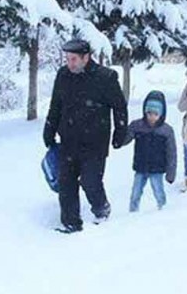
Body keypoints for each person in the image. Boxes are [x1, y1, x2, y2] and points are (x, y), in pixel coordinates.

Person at [43, 39, 128, 234]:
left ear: (86, 57)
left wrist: (120, 131)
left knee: (90, 181)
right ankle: (71, 223)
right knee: (66, 183)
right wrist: (49, 128)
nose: (70, 63)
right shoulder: (63, 75)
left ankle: (101, 209)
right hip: (68, 140)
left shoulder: (105, 78)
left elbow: (119, 107)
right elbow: (56, 105)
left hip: (95, 143)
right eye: (68, 59)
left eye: (74, 59)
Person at [122, 91, 177, 212]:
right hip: (141, 166)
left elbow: (171, 152)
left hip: (157, 168)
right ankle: (133, 211)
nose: (152, 117)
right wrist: (120, 135)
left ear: (161, 114)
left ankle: (163, 209)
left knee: (158, 190)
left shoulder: (166, 131)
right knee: (135, 192)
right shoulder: (138, 126)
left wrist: (171, 172)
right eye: (149, 113)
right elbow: (126, 138)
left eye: (155, 114)